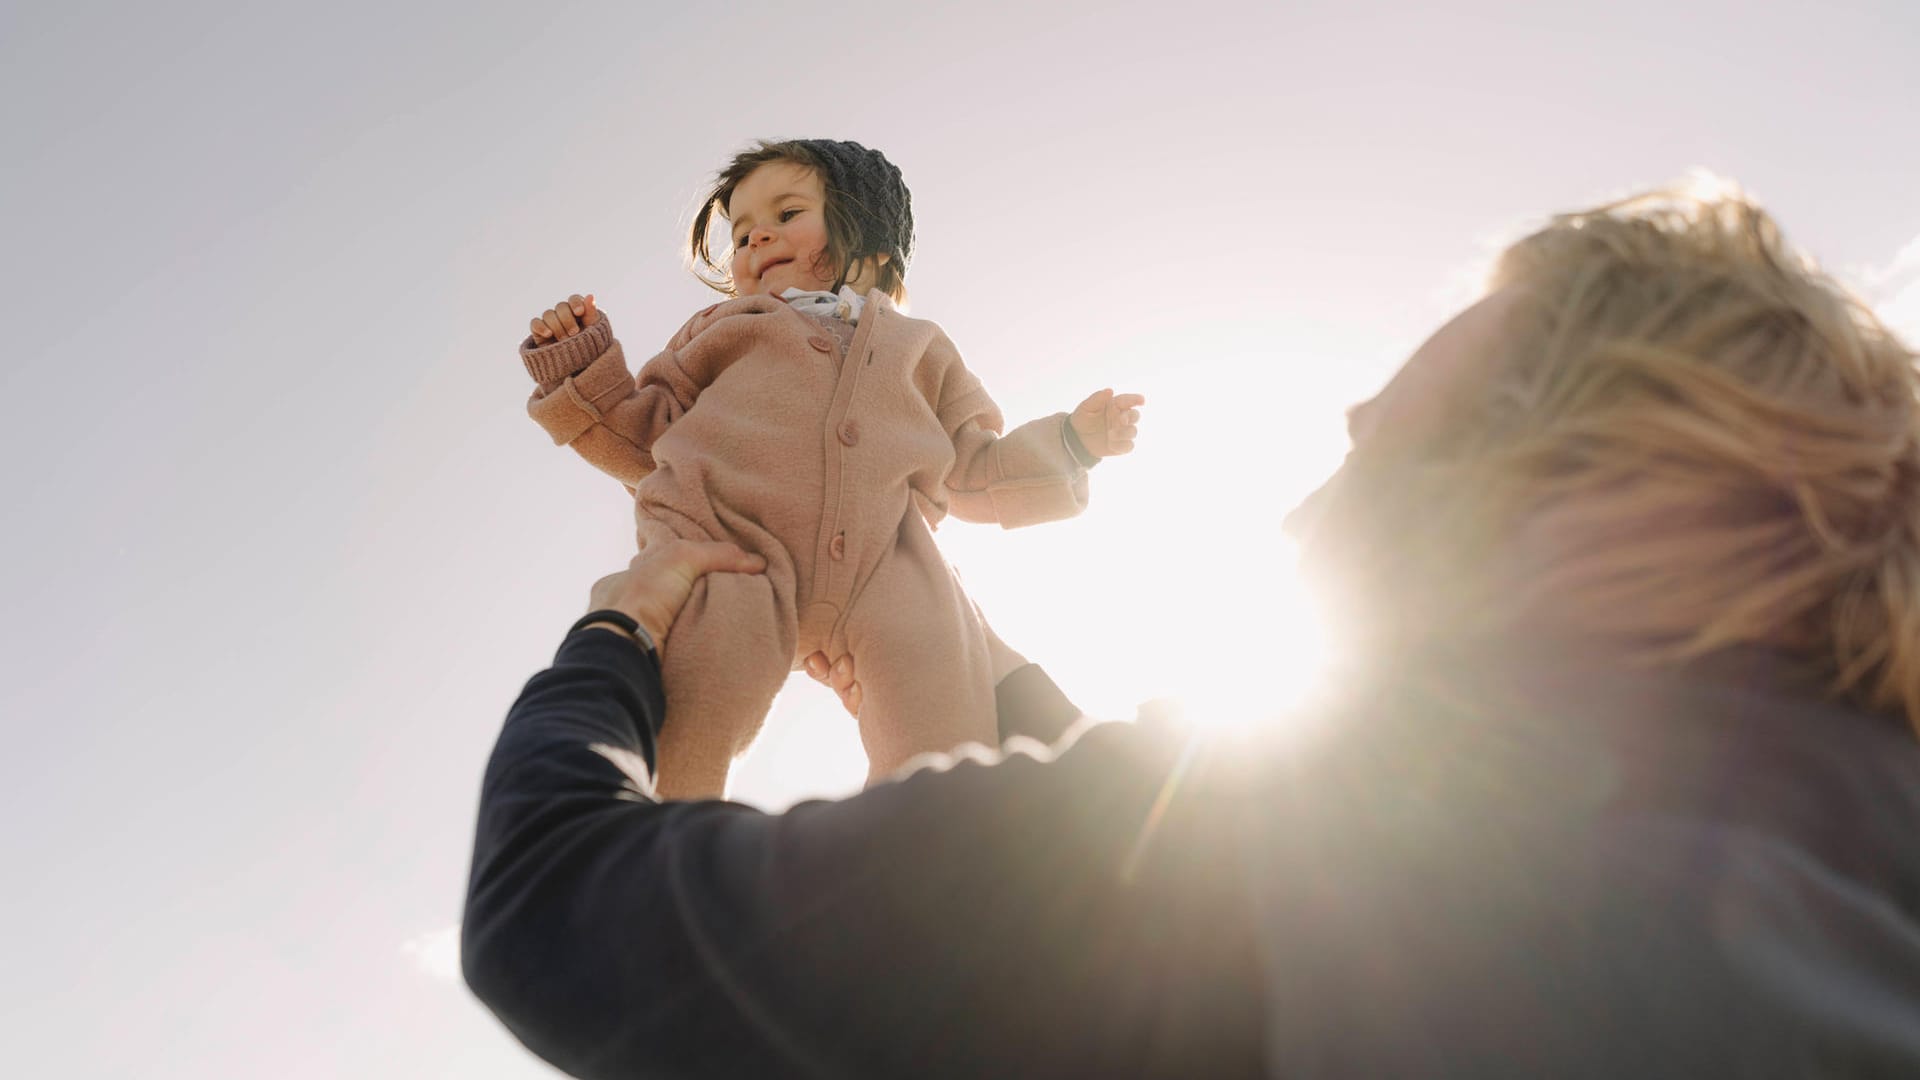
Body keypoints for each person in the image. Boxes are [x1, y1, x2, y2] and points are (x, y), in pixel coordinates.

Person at [465, 185, 1920, 1078]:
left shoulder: (1312, 840)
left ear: (1595, 501)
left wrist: (609, 649)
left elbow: (555, 912)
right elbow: (651, 431)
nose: (1301, 520)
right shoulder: (1867, 835)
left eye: (1374, 452)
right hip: (796, 574)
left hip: (818, 631)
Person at [513, 138, 1144, 798]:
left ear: (870, 242)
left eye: (786, 215)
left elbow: (975, 468)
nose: (757, 240)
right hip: (731, 546)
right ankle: (666, 845)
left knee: (946, 704)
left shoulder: (920, 350)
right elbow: (648, 440)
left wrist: (1071, 443)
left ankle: (942, 852)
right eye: (744, 232)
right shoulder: (721, 331)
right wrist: (580, 363)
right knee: (695, 693)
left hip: (888, 561)